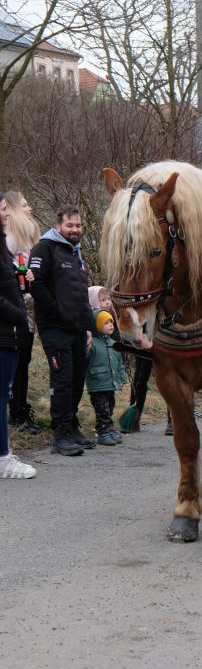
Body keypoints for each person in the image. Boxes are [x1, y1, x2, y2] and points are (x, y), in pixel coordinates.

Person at [29, 204, 95, 456]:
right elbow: (37, 285)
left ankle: (72, 427)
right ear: (58, 226)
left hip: (77, 328)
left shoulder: (76, 252)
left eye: (78, 225)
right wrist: (58, 312)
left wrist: (87, 325)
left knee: (77, 379)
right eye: (70, 225)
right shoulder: (44, 248)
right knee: (62, 380)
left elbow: (80, 293)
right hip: (55, 327)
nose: (75, 230)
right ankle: (61, 433)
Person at [0, 195, 36, 479]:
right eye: (3, 209)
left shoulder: (4, 245)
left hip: (11, 329)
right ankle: (3, 458)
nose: (7, 213)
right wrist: (17, 314)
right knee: (2, 395)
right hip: (6, 330)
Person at [3, 191, 40, 434]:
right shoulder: (9, 238)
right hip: (15, 310)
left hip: (28, 308)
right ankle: (17, 413)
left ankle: (20, 409)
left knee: (23, 361)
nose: (29, 209)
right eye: (24, 205)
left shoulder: (27, 238)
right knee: (17, 363)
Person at [85, 310, 126, 445]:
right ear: (97, 325)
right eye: (106, 323)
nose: (110, 325)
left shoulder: (114, 343)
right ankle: (103, 432)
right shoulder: (92, 343)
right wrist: (87, 346)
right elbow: (85, 357)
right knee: (102, 409)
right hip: (97, 385)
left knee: (110, 407)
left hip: (111, 384)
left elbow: (120, 364)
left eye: (111, 322)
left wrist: (122, 378)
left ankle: (109, 428)